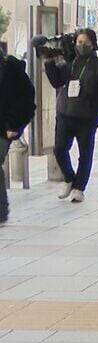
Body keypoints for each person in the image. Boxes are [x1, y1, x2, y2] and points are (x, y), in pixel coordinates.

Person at [45, 28, 98, 204]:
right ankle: (69, 178)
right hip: (65, 113)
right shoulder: (70, 63)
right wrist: (50, 62)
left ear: (93, 43)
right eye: (79, 42)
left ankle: (79, 188)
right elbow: (56, 82)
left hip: (87, 118)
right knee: (59, 149)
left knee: (85, 154)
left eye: (85, 42)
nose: (82, 45)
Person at [0, 45, 36, 223]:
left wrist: (13, 125)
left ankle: (1, 210)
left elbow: (27, 101)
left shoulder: (12, 70)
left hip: (5, 128)